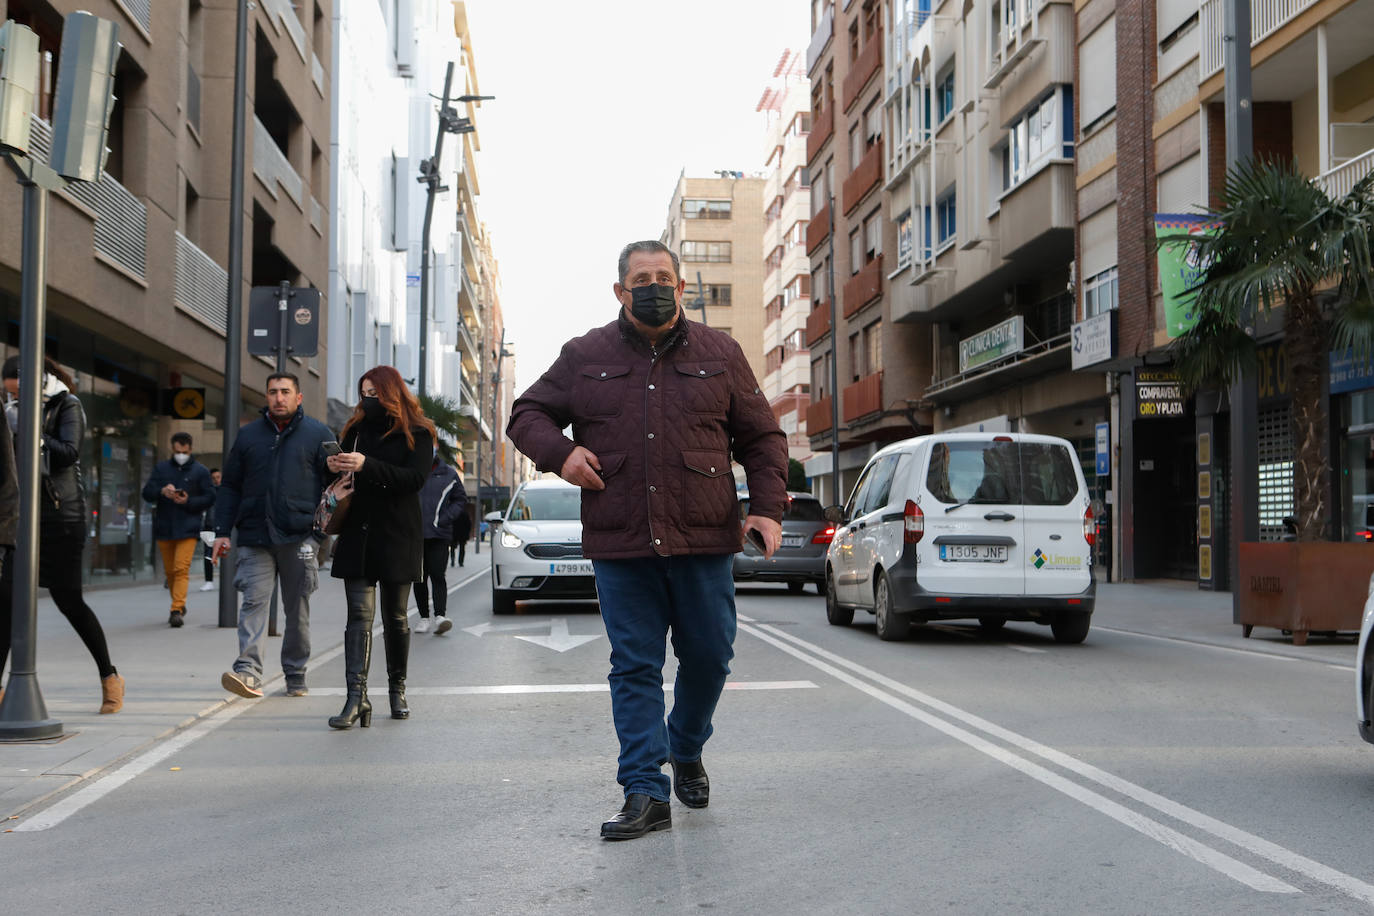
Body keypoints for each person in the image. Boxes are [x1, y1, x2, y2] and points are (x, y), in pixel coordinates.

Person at [507, 240, 787, 840]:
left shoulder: (721, 352)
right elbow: (526, 412)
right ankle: (644, 789)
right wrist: (562, 454)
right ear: (620, 291)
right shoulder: (585, 355)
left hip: (704, 539)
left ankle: (685, 746)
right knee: (634, 665)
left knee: (710, 657)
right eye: (641, 278)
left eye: (664, 277)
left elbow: (762, 439)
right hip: (622, 540)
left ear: (681, 288)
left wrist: (766, 509)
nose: (653, 286)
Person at [0, 356, 123, 714]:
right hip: (19, 520)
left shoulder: (67, 405)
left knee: (68, 600)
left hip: (60, 517)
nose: (13, 400)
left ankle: (109, 676)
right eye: (9, 396)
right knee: (5, 602)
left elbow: (68, 454)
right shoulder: (12, 411)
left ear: (37, 381)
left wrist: (29, 429)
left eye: (17, 393)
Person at [212, 373, 334, 699]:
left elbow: (334, 489)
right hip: (255, 536)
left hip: (300, 538)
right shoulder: (248, 435)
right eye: (272, 392)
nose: (278, 398)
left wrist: (320, 535)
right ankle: (248, 673)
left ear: (299, 397)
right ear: (266, 397)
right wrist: (222, 532)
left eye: (285, 392)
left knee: (298, 610)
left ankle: (295, 674)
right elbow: (230, 487)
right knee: (253, 603)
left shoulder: (318, 434)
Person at [326, 366, 434, 729]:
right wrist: (334, 465)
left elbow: (414, 480)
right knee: (358, 617)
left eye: (374, 393)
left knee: (396, 618)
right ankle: (355, 699)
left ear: (392, 393)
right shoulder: (354, 430)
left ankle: (396, 690)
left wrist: (367, 464)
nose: (367, 399)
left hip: (397, 535)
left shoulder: (418, 432)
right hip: (358, 530)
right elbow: (348, 473)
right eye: (363, 392)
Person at [141, 432, 215, 627]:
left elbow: (210, 497)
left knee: (181, 568)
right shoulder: (161, 469)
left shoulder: (200, 471)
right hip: (165, 526)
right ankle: (179, 603)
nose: (180, 454)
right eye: (177, 451)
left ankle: (176, 608)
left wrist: (188, 500)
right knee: (171, 572)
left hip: (188, 527)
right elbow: (146, 493)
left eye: (184, 451)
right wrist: (162, 491)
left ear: (190, 449)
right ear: (172, 449)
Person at [415, 455, 466, 634]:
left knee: (438, 574)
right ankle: (423, 618)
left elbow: (460, 499)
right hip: (415, 535)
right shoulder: (413, 471)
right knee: (419, 577)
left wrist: (445, 518)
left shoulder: (449, 474)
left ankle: (440, 616)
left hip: (439, 534)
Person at [200, 468, 221, 591]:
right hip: (209, 526)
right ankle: (209, 581)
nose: (216, 480)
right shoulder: (208, 493)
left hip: (222, 527)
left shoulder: (225, 492)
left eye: (218, 477)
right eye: (213, 478)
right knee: (208, 555)